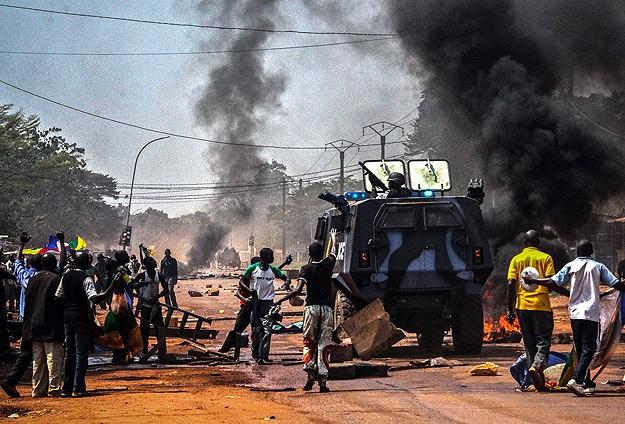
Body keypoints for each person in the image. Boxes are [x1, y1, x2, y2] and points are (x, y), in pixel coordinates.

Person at [527, 240, 625, 396]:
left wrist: (533, 280)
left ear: (577, 252)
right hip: (590, 314)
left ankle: (586, 381)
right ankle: (576, 380)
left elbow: (552, 281)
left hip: (574, 314)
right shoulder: (598, 266)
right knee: (590, 348)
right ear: (591, 252)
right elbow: (616, 284)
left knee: (580, 349)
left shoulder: (570, 266)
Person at [277, 232, 338, 392]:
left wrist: (281, 299)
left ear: (309, 254)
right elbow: (333, 252)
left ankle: (310, 372)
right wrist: (332, 238)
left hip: (311, 308)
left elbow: (297, 290)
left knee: (309, 342)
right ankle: (323, 381)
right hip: (326, 309)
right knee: (324, 344)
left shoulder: (305, 269)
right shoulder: (328, 265)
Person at [55, 251, 117, 397]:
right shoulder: (86, 278)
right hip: (81, 318)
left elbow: (58, 297)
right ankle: (78, 387)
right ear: (86, 264)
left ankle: (66, 388)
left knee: (69, 353)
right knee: (81, 352)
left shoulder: (66, 276)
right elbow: (94, 298)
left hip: (67, 318)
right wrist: (111, 287)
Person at [506, 230, 559, 391]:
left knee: (529, 345)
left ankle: (535, 382)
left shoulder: (516, 259)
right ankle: (536, 366)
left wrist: (509, 309)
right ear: (539, 243)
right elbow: (551, 281)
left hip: (522, 306)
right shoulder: (545, 258)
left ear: (524, 243)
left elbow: (510, 284)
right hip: (541, 306)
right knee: (543, 341)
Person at [219, 254, 292, 353]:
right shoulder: (248, 278)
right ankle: (225, 349)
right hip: (246, 308)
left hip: (259, 307)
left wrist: (285, 264)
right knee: (237, 330)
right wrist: (245, 299)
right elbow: (238, 292)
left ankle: (257, 353)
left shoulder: (261, 274)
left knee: (258, 331)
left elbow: (272, 272)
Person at [0, 232, 40, 398]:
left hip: (26, 318)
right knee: (44, 352)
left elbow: (17, 263)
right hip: (40, 319)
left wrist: (21, 245)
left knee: (27, 352)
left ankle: (13, 380)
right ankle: (44, 385)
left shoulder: (24, 275)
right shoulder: (45, 278)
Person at [23, 253, 64, 397]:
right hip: (50, 324)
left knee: (38, 359)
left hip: (33, 324)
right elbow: (59, 302)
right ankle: (53, 388)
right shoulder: (56, 279)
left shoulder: (32, 279)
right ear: (54, 265)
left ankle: (38, 389)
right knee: (53, 357)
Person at [240, 248, 288, 364]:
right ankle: (255, 354)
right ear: (263, 258)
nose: (271, 259)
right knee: (256, 330)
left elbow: (286, 278)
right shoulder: (253, 268)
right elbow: (241, 281)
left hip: (268, 303)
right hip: (256, 302)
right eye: (269, 257)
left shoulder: (273, 269)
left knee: (267, 330)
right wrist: (249, 290)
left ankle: (263, 357)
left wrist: (287, 283)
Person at [130, 256, 168, 361]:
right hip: (145, 306)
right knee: (144, 329)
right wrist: (141, 283)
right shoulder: (142, 275)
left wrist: (156, 297)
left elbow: (166, 290)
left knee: (159, 328)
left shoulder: (159, 276)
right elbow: (132, 285)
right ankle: (145, 350)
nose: (150, 269)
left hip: (156, 305)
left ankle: (162, 350)